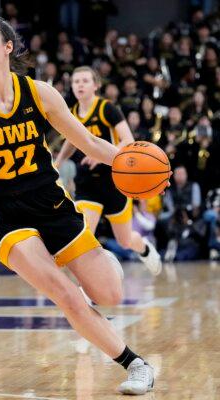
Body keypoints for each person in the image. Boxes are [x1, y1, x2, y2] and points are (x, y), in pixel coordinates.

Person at [0, 16, 155, 395]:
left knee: (109, 295)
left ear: (8, 47)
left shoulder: (40, 93)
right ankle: (136, 364)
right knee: (67, 294)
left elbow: (90, 144)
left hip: (52, 203)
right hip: (2, 215)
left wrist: (132, 164)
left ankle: (102, 261)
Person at [55, 66, 162, 276]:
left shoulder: (107, 109)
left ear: (96, 85)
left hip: (115, 180)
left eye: (85, 81)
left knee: (125, 241)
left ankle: (145, 248)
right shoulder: (73, 112)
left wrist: (99, 155)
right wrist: (57, 162)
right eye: (76, 81)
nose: (80, 85)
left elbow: (128, 141)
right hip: (87, 183)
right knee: (85, 237)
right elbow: (71, 140)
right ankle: (89, 291)